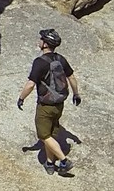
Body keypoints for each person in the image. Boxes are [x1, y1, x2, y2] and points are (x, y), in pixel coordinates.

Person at [17, 28, 82, 175]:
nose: (39, 41)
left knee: (44, 136)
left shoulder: (39, 62)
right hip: (59, 104)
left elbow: (30, 84)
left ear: (45, 44)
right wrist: (76, 94)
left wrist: (21, 98)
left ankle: (64, 161)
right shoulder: (61, 59)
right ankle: (50, 163)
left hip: (45, 106)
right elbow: (71, 77)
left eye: (41, 39)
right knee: (51, 134)